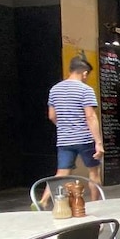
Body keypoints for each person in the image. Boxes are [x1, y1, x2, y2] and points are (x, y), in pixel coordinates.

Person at [42, 55, 103, 205]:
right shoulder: (85, 90)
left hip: (64, 140)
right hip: (85, 139)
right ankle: (96, 205)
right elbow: (90, 117)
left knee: (61, 173)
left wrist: (64, 127)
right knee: (94, 172)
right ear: (84, 73)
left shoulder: (54, 90)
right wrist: (99, 143)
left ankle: (43, 200)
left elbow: (51, 116)